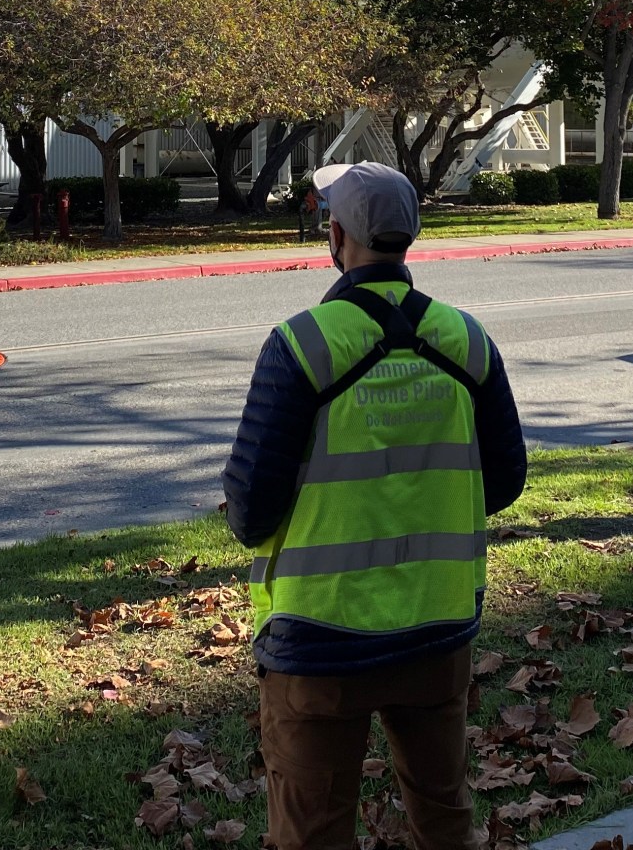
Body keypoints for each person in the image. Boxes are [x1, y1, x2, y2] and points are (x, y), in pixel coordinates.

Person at [222, 161, 527, 850]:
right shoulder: (468, 341)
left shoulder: (300, 345)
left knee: (311, 830)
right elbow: (503, 482)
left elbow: (250, 511)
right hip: (438, 630)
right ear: (410, 236)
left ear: (335, 236)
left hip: (318, 641)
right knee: (442, 815)